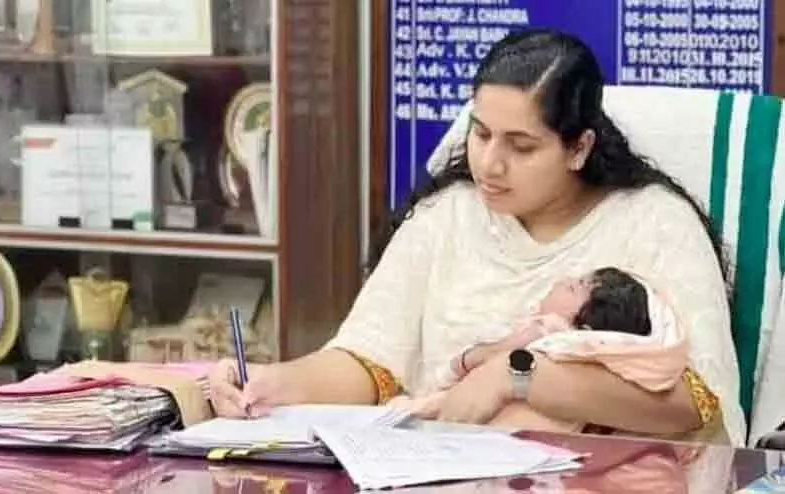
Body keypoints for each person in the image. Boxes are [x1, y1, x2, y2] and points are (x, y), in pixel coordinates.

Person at [209, 29, 744, 445]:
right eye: (482, 133)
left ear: (579, 148)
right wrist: (273, 383)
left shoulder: (656, 225)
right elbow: (370, 362)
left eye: (522, 146)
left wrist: (514, 378)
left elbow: (696, 404)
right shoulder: (448, 215)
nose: (489, 162)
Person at [388, 267, 689, 434]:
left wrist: (417, 406)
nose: (562, 281)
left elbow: (463, 385)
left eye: (573, 288)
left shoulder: (551, 338)